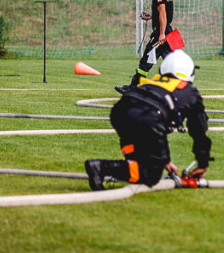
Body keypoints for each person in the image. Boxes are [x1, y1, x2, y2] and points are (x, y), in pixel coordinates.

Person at [86, 50, 211, 190]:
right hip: (149, 116)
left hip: (121, 111)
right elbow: (199, 131)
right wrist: (203, 163)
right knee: (151, 175)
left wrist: (164, 160)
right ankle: (100, 167)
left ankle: (114, 170)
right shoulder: (190, 92)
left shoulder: (156, 81)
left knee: (141, 163)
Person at [127, 0, 175, 88]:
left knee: (146, 60)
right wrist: (152, 17)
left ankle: (133, 86)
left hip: (161, 33)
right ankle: (181, 88)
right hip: (168, 32)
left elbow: (163, 13)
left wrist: (161, 33)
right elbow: (163, 14)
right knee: (170, 61)